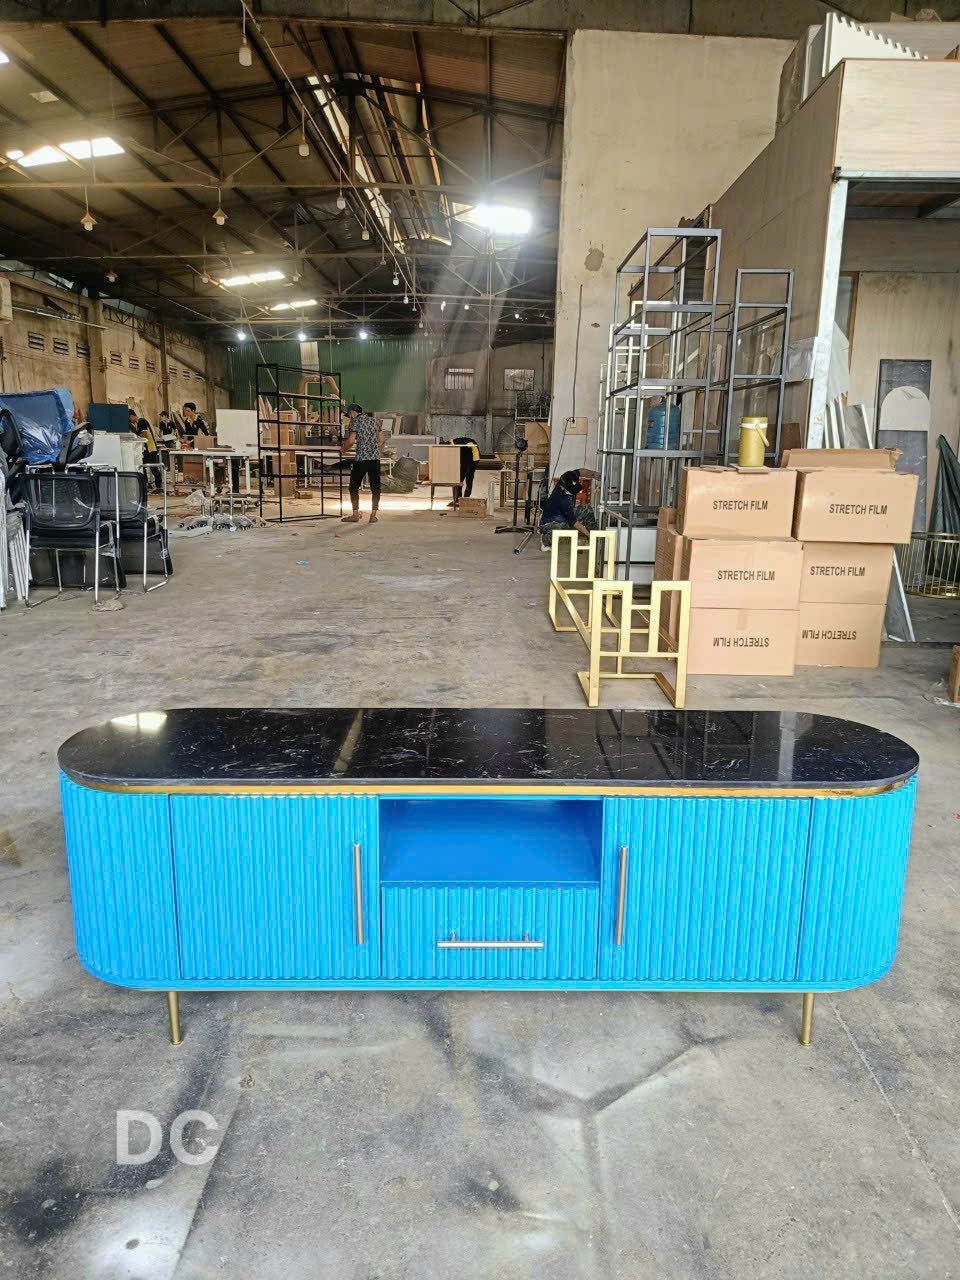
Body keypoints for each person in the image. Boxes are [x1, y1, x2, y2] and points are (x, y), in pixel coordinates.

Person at [341, 402, 383, 524]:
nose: (350, 417)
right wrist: (373, 448)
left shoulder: (355, 422)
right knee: (375, 487)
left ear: (352, 413)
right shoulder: (375, 421)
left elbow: (351, 441)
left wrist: (343, 449)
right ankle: (373, 516)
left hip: (361, 459)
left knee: (353, 487)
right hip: (375, 459)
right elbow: (381, 440)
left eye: (349, 415)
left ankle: (355, 515)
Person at [539, 469, 597, 549]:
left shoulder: (567, 478)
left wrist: (594, 474)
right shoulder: (562, 499)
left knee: (586, 509)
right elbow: (574, 522)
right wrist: (588, 535)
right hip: (550, 523)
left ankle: (595, 534)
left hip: (561, 517)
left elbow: (581, 471)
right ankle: (546, 541)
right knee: (561, 531)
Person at [129, 409, 162, 492]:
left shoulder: (141, 421)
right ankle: (148, 484)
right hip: (148, 449)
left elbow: (144, 435)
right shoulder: (138, 424)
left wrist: (135, 436)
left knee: (152, 467)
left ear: (132, 416)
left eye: (129, 419)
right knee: (145, 466)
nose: (130, 421)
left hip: (150, 448)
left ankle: (157, 486)